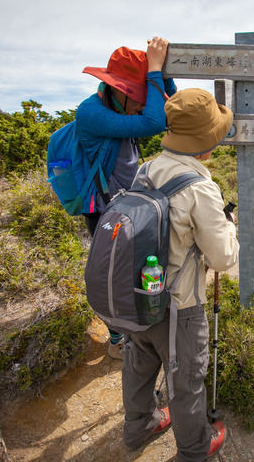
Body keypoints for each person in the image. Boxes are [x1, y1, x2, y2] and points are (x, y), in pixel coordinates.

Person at [121, 88, 238, 460]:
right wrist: (230, 227)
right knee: (185, 379)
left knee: (139, 363)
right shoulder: (200, 188)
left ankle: (138, 426)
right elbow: (222, 258)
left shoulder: (146, 169)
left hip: (138, 294)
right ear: (207, 143)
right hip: (180, 307)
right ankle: (194, 449)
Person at [78, 37, 176, 359]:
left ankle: (131, 324)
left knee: (133, 268)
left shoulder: (115, 106)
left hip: (127, 203)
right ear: (114, 88)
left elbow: (170, 105)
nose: (139, 103)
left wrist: (163, 70)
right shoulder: (90, 112)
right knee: (112, 271)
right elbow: (154, 121)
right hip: (104, 209)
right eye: (135, 95)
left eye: (142, 95)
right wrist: (155, 70)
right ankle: (117, 340)